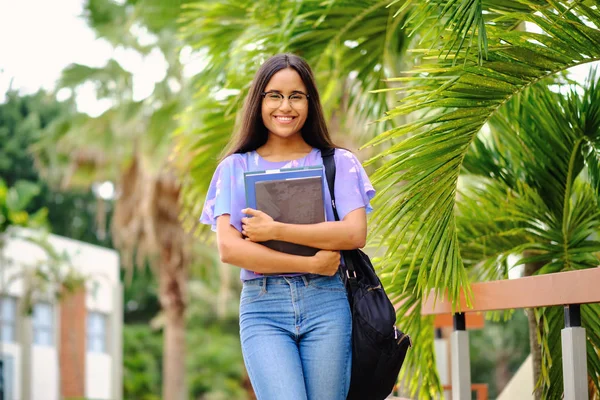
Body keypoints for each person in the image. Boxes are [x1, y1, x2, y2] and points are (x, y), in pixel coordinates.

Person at [200, 53, 375, 400]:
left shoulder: (338, 163)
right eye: (274, 96)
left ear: (310, 102)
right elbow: (230, 249)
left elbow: (354, 233)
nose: (286, 106)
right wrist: (310, 263)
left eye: (296, 95)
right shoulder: (234, 168)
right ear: (259, 102)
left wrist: (275, 231)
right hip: (264, 308)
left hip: (327, 305)